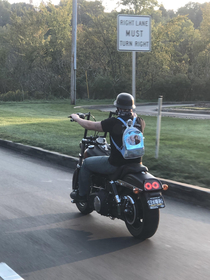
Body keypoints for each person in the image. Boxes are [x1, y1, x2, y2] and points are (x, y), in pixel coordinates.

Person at [70, 92, 145, 202]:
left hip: (115, 164)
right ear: (131, 108)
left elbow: (90, 125)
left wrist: (76, 118)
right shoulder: (140, 122)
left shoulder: (113, 122)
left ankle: (82, 196)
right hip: (136, 162)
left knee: (86, 164)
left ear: (118, 107)